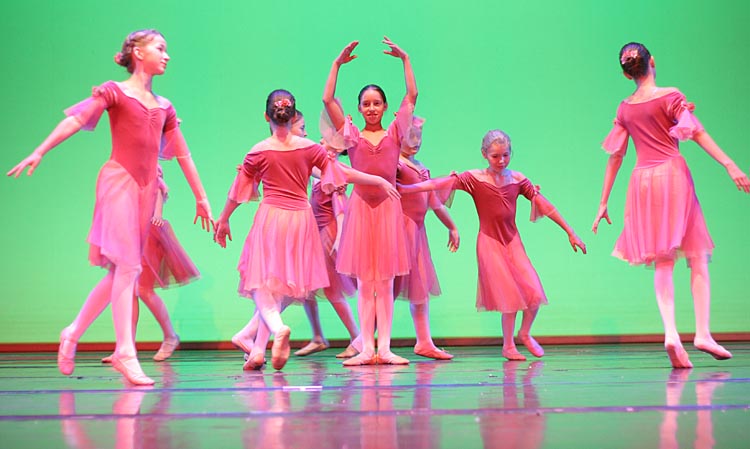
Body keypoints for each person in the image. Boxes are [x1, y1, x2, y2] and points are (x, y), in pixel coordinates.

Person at [7, 29, 213, 385]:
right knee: (130, 266)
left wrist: (202, 197)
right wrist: (40, 150)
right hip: (119, 181)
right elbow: (76, 119)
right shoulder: (114, 92)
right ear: (138, 52)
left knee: (121, 270)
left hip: (146, 189)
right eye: (160, 48)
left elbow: (183, 153)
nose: (167, 55)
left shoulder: (164, 106)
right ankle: (125, 352)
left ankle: (72, 332)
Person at [214, 90, 400, 371]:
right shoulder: (309, 148)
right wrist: (378, 180)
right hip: (301, 220)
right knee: (277, 288)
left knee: (260, 283)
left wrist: (224, 219)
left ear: (266, 116)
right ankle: (257, 351)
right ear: (292, 118)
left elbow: (237, 191)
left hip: (272, 218)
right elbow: (341, 172)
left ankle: (277, 329)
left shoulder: (259, 150)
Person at [592, 42, 750, 368]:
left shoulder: (625, 108)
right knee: (697, 254)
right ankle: (702, 333)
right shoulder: (670, 96)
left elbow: (616, 156)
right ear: (652, 61)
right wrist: (729, 164)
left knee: (663, 260)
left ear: (626, 74)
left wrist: (603, 202)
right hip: (672, 175)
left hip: (642, 182)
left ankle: (671, 333)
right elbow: (698, 133)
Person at [399, 130, 586, 361]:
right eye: (495, 156)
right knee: (510, 296)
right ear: (484, 154)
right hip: (489, 242)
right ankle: (508, 346)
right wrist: (407, 189)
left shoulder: (517, 179)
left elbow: (545, 205)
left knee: (534, 291)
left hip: (512, 241)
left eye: (505, 155)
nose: (501, 161)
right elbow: (438, 183)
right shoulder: (475, 178)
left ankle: (525, 333)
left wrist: (570, 232)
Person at [230, 111, 362, 362]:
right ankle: (262, 340)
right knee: (284, 289)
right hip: (299, 227)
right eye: (302, 128)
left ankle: (256, 344)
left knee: (285, 289)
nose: (307, 134)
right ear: (289, 125)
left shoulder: (305, 157)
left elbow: (339, 192)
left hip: (303, 230)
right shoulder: (293, 154)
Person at [322, 37, 417, 366]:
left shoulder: (395, 133)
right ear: (359, 108)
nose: (372, 108)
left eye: (377, 103)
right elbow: (327, 99)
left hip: (388, 209)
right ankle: (366, 348)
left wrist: (405, 59)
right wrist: (336, 64)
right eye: (367, 104)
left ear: (386, 107)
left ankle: (385, 348)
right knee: (365, 282)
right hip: (361, 209)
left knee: (385, 282)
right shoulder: (352, 134)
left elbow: (412, 96)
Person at [101, 164, 199, 364]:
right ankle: (125, 348)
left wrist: (156, 216)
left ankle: (170, 336)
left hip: (148, 233)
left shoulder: (150, 167)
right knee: (129, 292)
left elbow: (157, 192)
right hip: (130, 233)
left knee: (143, 289)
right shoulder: (128, 167)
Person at [395, 114, 459, 360]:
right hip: (400, 230)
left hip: (417, 232)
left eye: (418, 137)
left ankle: (424, 341)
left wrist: (451, 226)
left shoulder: (420, 166)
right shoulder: (396, 164)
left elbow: (433, 201)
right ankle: (364, 340)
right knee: (390, 287)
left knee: (419, 287)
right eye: (409, 137)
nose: (415, 142)